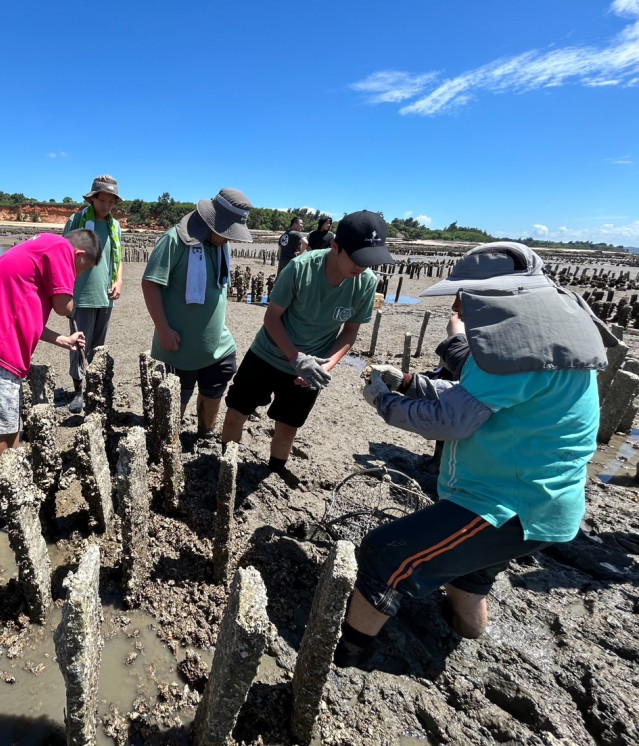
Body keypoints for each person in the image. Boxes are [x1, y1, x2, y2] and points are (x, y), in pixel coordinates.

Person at [336, 242, 614, 667]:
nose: (457, 304)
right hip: (539, 501)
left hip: (507, 505)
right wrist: (412, 383)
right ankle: (469, 639)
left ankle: (347, 655)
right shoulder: (545, 334)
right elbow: (478, 399)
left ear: (494, 294)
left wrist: (386, 403)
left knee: (382, 554)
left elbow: (454, 421)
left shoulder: (519, 343)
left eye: (464, 295)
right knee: (466, 580)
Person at [221, 210, 394, 477]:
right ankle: (226, 466)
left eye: (370, 261)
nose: (362, 267)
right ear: (335, 247)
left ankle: (275, 470)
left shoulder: (366, 283)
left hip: (311, 368)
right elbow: (272, 317)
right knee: (236, 413)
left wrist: (326, 366)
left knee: (288, 426)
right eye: (357, 258)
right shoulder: (301, 267)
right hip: (268, 353)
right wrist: (295, 358)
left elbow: (349, 332)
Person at [0, 230, 100, 496]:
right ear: (78, 254)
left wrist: (62, 339)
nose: (76, 276)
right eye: (82, 269)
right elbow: (64, 306)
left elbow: (24, 313)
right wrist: (72, 292)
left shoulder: (40, 249)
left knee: (7, 427)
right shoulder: (60, 248)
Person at [141, 188, 253, 436]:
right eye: (226, 232)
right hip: (178, 346)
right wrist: (163, 329)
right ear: (211, 221)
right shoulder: (175, 240)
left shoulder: (221, 244)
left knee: (215, 389)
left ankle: (204, 434)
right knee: (176, 397)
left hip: (218, 345)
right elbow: (150, 284)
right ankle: (169, 440)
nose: (229, 239)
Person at [63, 175, 124, 413]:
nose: (106, 205)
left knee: (99, 346)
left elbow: (117, 259)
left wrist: (119, 281)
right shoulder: (77, 220)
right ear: (93, 199)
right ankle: (78, 390)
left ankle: (94, 387)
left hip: (104, 295)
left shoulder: (115, 226)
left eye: (111, 201)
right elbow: (63, 253)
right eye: (102, 200)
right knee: (79, 344)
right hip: (81, 293)